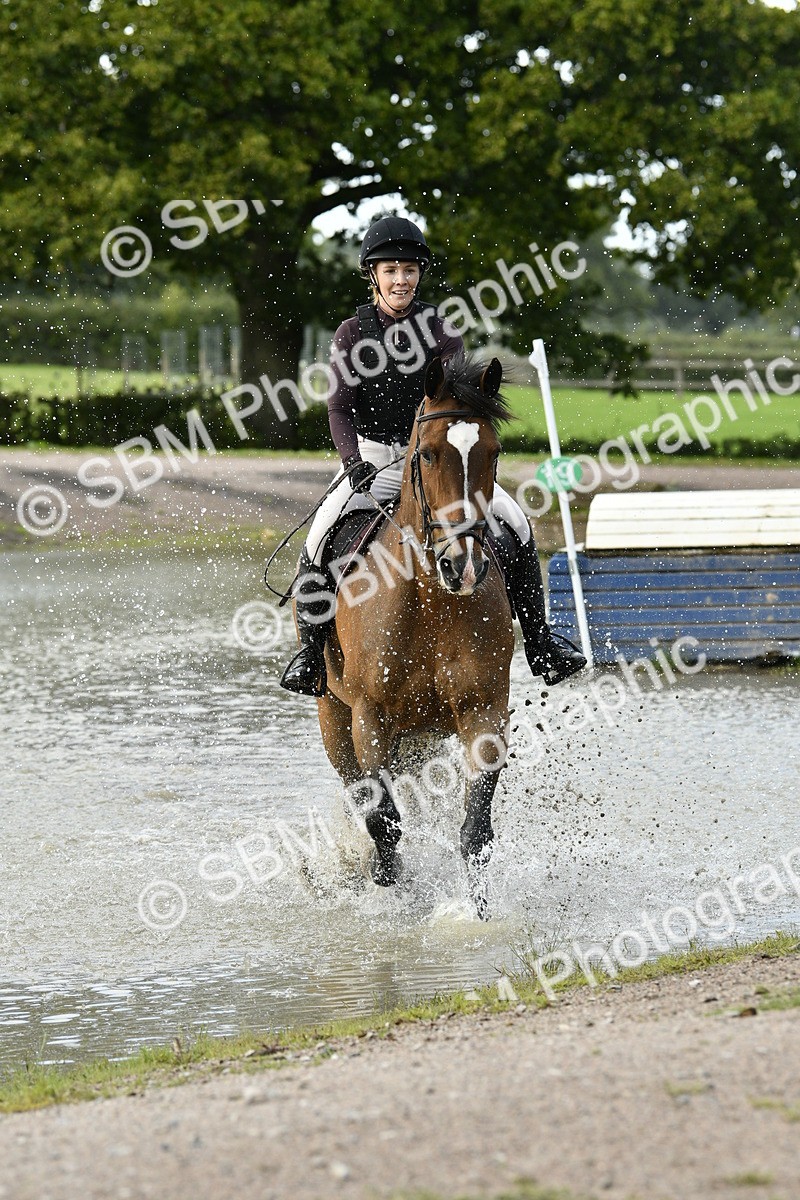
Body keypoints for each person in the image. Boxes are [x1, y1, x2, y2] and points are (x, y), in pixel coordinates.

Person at [280, 215, 586, 696]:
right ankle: (311, 656)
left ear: (419, 274)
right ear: (372, 275)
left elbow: (460, 407)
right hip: (376, 461)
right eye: (390, 271)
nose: (400, 280)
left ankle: (542, 644)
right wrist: (352, 463)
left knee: (520, 526)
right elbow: (338, 407)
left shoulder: (441, 332)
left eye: (408, 270)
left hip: (439, 461)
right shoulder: (350, 334)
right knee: (319, 538)